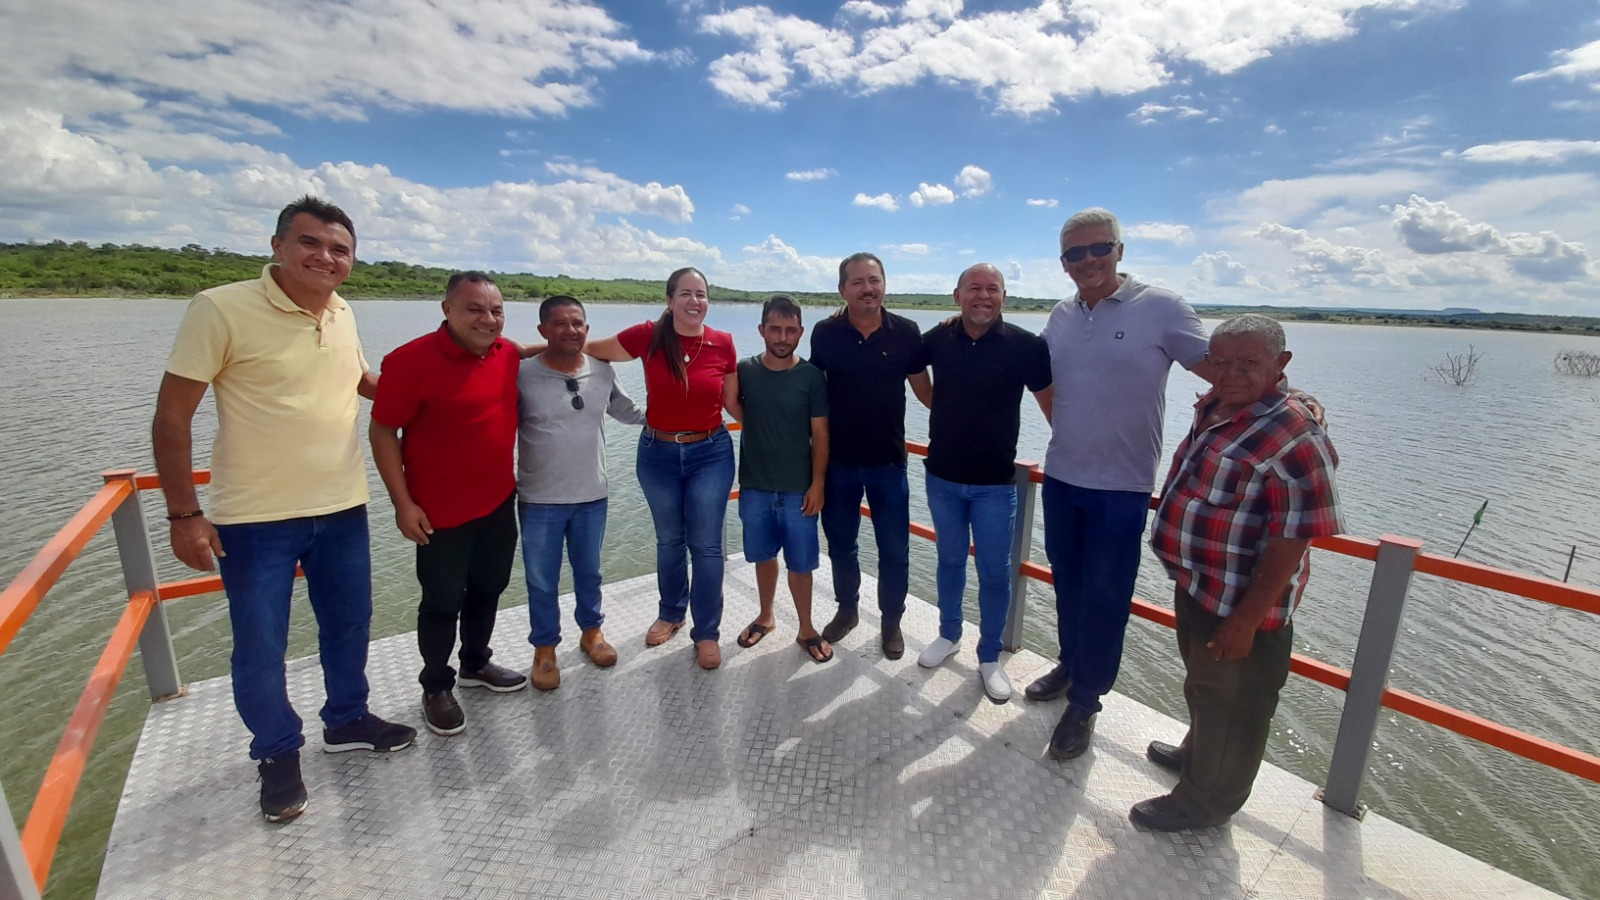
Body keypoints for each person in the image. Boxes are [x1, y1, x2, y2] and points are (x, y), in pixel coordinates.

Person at [152, 196, 416, 824]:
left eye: (340, 249)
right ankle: (276, 753)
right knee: (260, 644)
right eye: (309, 243)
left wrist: (461, 376)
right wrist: (185, 514)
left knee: (350, 625)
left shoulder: (344, 312)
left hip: (344, 506)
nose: (325, 257)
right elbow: (170, 418)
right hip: (254, 518)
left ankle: (347, 717)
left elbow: (362, 383)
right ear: (277, 246)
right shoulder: (220, 308)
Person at [1133, 314, 1343, 831]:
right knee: (1207, 689)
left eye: (1249, 364)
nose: (1231, 374)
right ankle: (1198, 755)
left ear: (1280, 365)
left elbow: (1294, 536)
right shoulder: (1221, 407)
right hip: (1201, 585)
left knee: (1236, 706)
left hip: (1242, 601)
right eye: (1221, 362)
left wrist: (1246, 620)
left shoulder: (1294, 433)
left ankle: (1205, 803)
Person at [1032, 207, 1221, 760]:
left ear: (1120, 249)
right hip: (1062, 476)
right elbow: (1044, 379)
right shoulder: (1062, 315)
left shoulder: (1161, 308)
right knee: (1067, 585)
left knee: (1107, 597)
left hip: (1123, 487)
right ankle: (1070, 666)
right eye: (1075, 253)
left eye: (1099, 248)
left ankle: (1086, 702)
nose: (1088, 260)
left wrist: (1289, 395)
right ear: (1063, 263)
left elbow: (1226, 371)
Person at [370, 272, 530, 739]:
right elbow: (382, 432)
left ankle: (475, 664)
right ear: (447, 310)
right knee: (441, 601)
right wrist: (402, 504)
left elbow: (536, 355)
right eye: (475, 309)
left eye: (496, 310)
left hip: (498, 500)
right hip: (438, 511)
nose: (488, 319)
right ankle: (435, 686)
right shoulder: (409, 361)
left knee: (490, 588)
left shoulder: (506, 355)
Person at [583, 267, 739, 670]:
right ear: (669, 301)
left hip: (711, 452)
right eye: (685, 293)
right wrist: (525, 351)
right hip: (658, 453)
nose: (694, 301)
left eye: (701, 294)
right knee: (669, 541)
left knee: (706, 546)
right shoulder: (648, 335)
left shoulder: (723, 343)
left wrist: (785, 432)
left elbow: (735, 405)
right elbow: (590, 349)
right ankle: (671, 612)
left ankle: (706, 632)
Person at [912, 264, 1052, 702]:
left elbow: (1053, 409)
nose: (983, 296)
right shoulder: (936, 339)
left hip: (996, 484)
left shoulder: (1026, 346)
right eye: (974, 288)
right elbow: (920, 382)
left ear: (1004, 297)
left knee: (994, 573)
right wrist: (948, 408)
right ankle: (948, 634)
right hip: (943, 478)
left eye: (993, 289)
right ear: (957, 295)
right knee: (949, 561)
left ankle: (990, 655)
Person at [516, 295, 646, 690]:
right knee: (541, 579)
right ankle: (544, 649)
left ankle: (591, 632)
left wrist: (680, 415)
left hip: (592, 494)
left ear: (587, 330)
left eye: (577, 323)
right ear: (543, 330)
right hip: (539, 499)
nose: (569, 330)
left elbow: (627, 411)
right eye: (559, 323)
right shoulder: (520, 374)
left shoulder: (602, 371)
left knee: (589, 572)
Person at [808, 253, 931, 659]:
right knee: (841, 544)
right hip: (838, 462)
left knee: (894, 549)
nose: (867, 288)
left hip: (888, 462)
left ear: (885, 284)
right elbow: (813, 392)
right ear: (843, 289)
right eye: (858, 282)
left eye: (874, 280)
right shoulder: (825, 334)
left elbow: (927, 394)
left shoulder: (907, 333)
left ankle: (891, 620)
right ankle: (847, 610)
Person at [732, 296, 833, 664]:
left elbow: (821, 434)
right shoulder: (745, 371)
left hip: (798, 489)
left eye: (790, 330)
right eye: (774, 328)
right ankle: (766, 616)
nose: (782, 336)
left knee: (802, 563)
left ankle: (806, 627)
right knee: (762, 557)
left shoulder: (810, 377)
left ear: (801, 333)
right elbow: (733, 404)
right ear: (761, 330)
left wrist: (817, 483)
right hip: (755, 486)